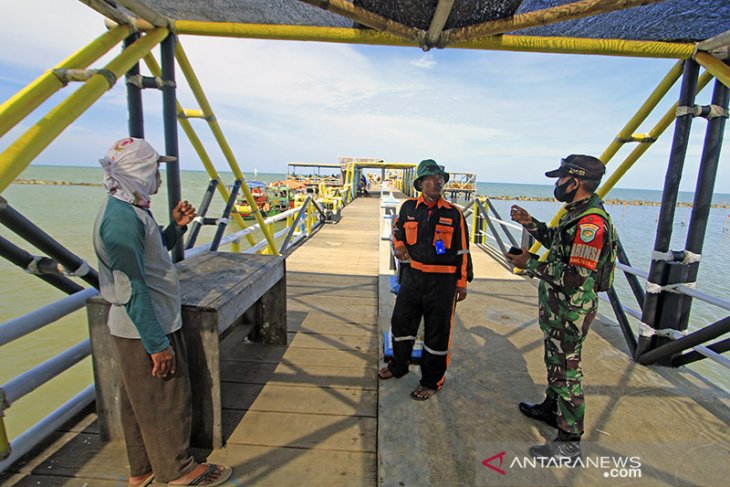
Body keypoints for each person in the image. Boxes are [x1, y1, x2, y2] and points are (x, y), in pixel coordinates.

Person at [93, 137, 232, 487]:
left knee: (139, 402)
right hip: (145, 326)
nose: (158, 175)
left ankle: (142, 469)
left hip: (140, 324)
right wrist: (157, 344)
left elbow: (151, 258)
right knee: (169, 399)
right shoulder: (121, 221)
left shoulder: (132, 209)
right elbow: (132, 288)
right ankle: (179, 472)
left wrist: (176, 228)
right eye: (154, 167)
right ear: (138, 171)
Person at [505, 154, 614, 463]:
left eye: (560, 179)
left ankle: (569, 441)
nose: (556, 184)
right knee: (556, 362)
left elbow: (575, 276)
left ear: (574, 182)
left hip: (570, 310)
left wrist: (530, 264)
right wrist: (530, 223)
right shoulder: (576, 213)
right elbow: (559, 244)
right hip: (559, 309)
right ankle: (551, 409)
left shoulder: (591, 223)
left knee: (567, 372)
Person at [378, 159, 473, 400]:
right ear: (420, 183)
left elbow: (463, 250)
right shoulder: (409, 207)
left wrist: (461, 282)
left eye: (440, 178)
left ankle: (432, 381)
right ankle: (398, 366)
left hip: (443, 284)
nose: (437, 181)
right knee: (401, 324)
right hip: (413, 278)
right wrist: (398, 246)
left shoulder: (454, 214)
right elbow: (397, 232)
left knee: (437, 334)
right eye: (431, 178)